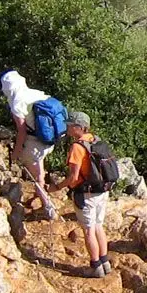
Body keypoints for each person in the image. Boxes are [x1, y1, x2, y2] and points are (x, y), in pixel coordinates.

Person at [58, 111, 112, 277]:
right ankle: (105, 262)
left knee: (89, 231)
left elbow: (73, 177)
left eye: (70, 125)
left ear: (79, 127)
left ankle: (95, 266)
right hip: (101, 192)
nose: (67, 127)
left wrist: (57, 187)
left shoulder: (77, 147)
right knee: (98, 226)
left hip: (86, 194)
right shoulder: (95, 140)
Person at [0, 70, 60, 219]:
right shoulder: (37, 93)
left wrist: (16, 153)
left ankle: (48, 208)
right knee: (40, 170)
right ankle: (38, 196)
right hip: (49, 140)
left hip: (35, 143)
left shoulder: (17, 102)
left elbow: (22, 132)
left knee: (37, 176)